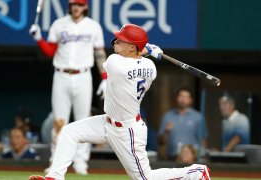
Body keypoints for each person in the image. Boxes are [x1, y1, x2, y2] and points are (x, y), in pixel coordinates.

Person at [29, 24, 210, 180]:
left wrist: (148, 49)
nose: (116, 41)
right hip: (108, 122)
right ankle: (54, 176)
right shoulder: (151, 67)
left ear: (132, 48)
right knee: (69, 132)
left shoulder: (115, 62)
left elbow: (127, 59)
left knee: (144, 177)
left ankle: (196, 172)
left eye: (121, 40)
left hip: (127, 131)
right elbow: (140, 57)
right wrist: (148, 50)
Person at [29, 0, 107, 174]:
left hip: (83, 76)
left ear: (85, 7)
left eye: (79, 4)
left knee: (83, 121)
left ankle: (81, 163)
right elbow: (50, 51)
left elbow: (99, 53)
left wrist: (104, 77)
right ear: (70, 6)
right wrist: (38, 39)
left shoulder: (93, 26)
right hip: (61, 75)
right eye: (73, 4)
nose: (76, 7)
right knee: (59, 121)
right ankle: (55, 162)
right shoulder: (59, 24)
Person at [158, 88, 208, 160]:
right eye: (180, 96)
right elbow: (160, 142)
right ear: (177, 98)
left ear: (191, 100)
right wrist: (166, 131)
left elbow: (203, 140)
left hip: (191, 159)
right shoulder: (167, 116)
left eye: (186, 97)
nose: (182, 99)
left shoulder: (198, 117)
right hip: (172, 158)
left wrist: (203, 157)